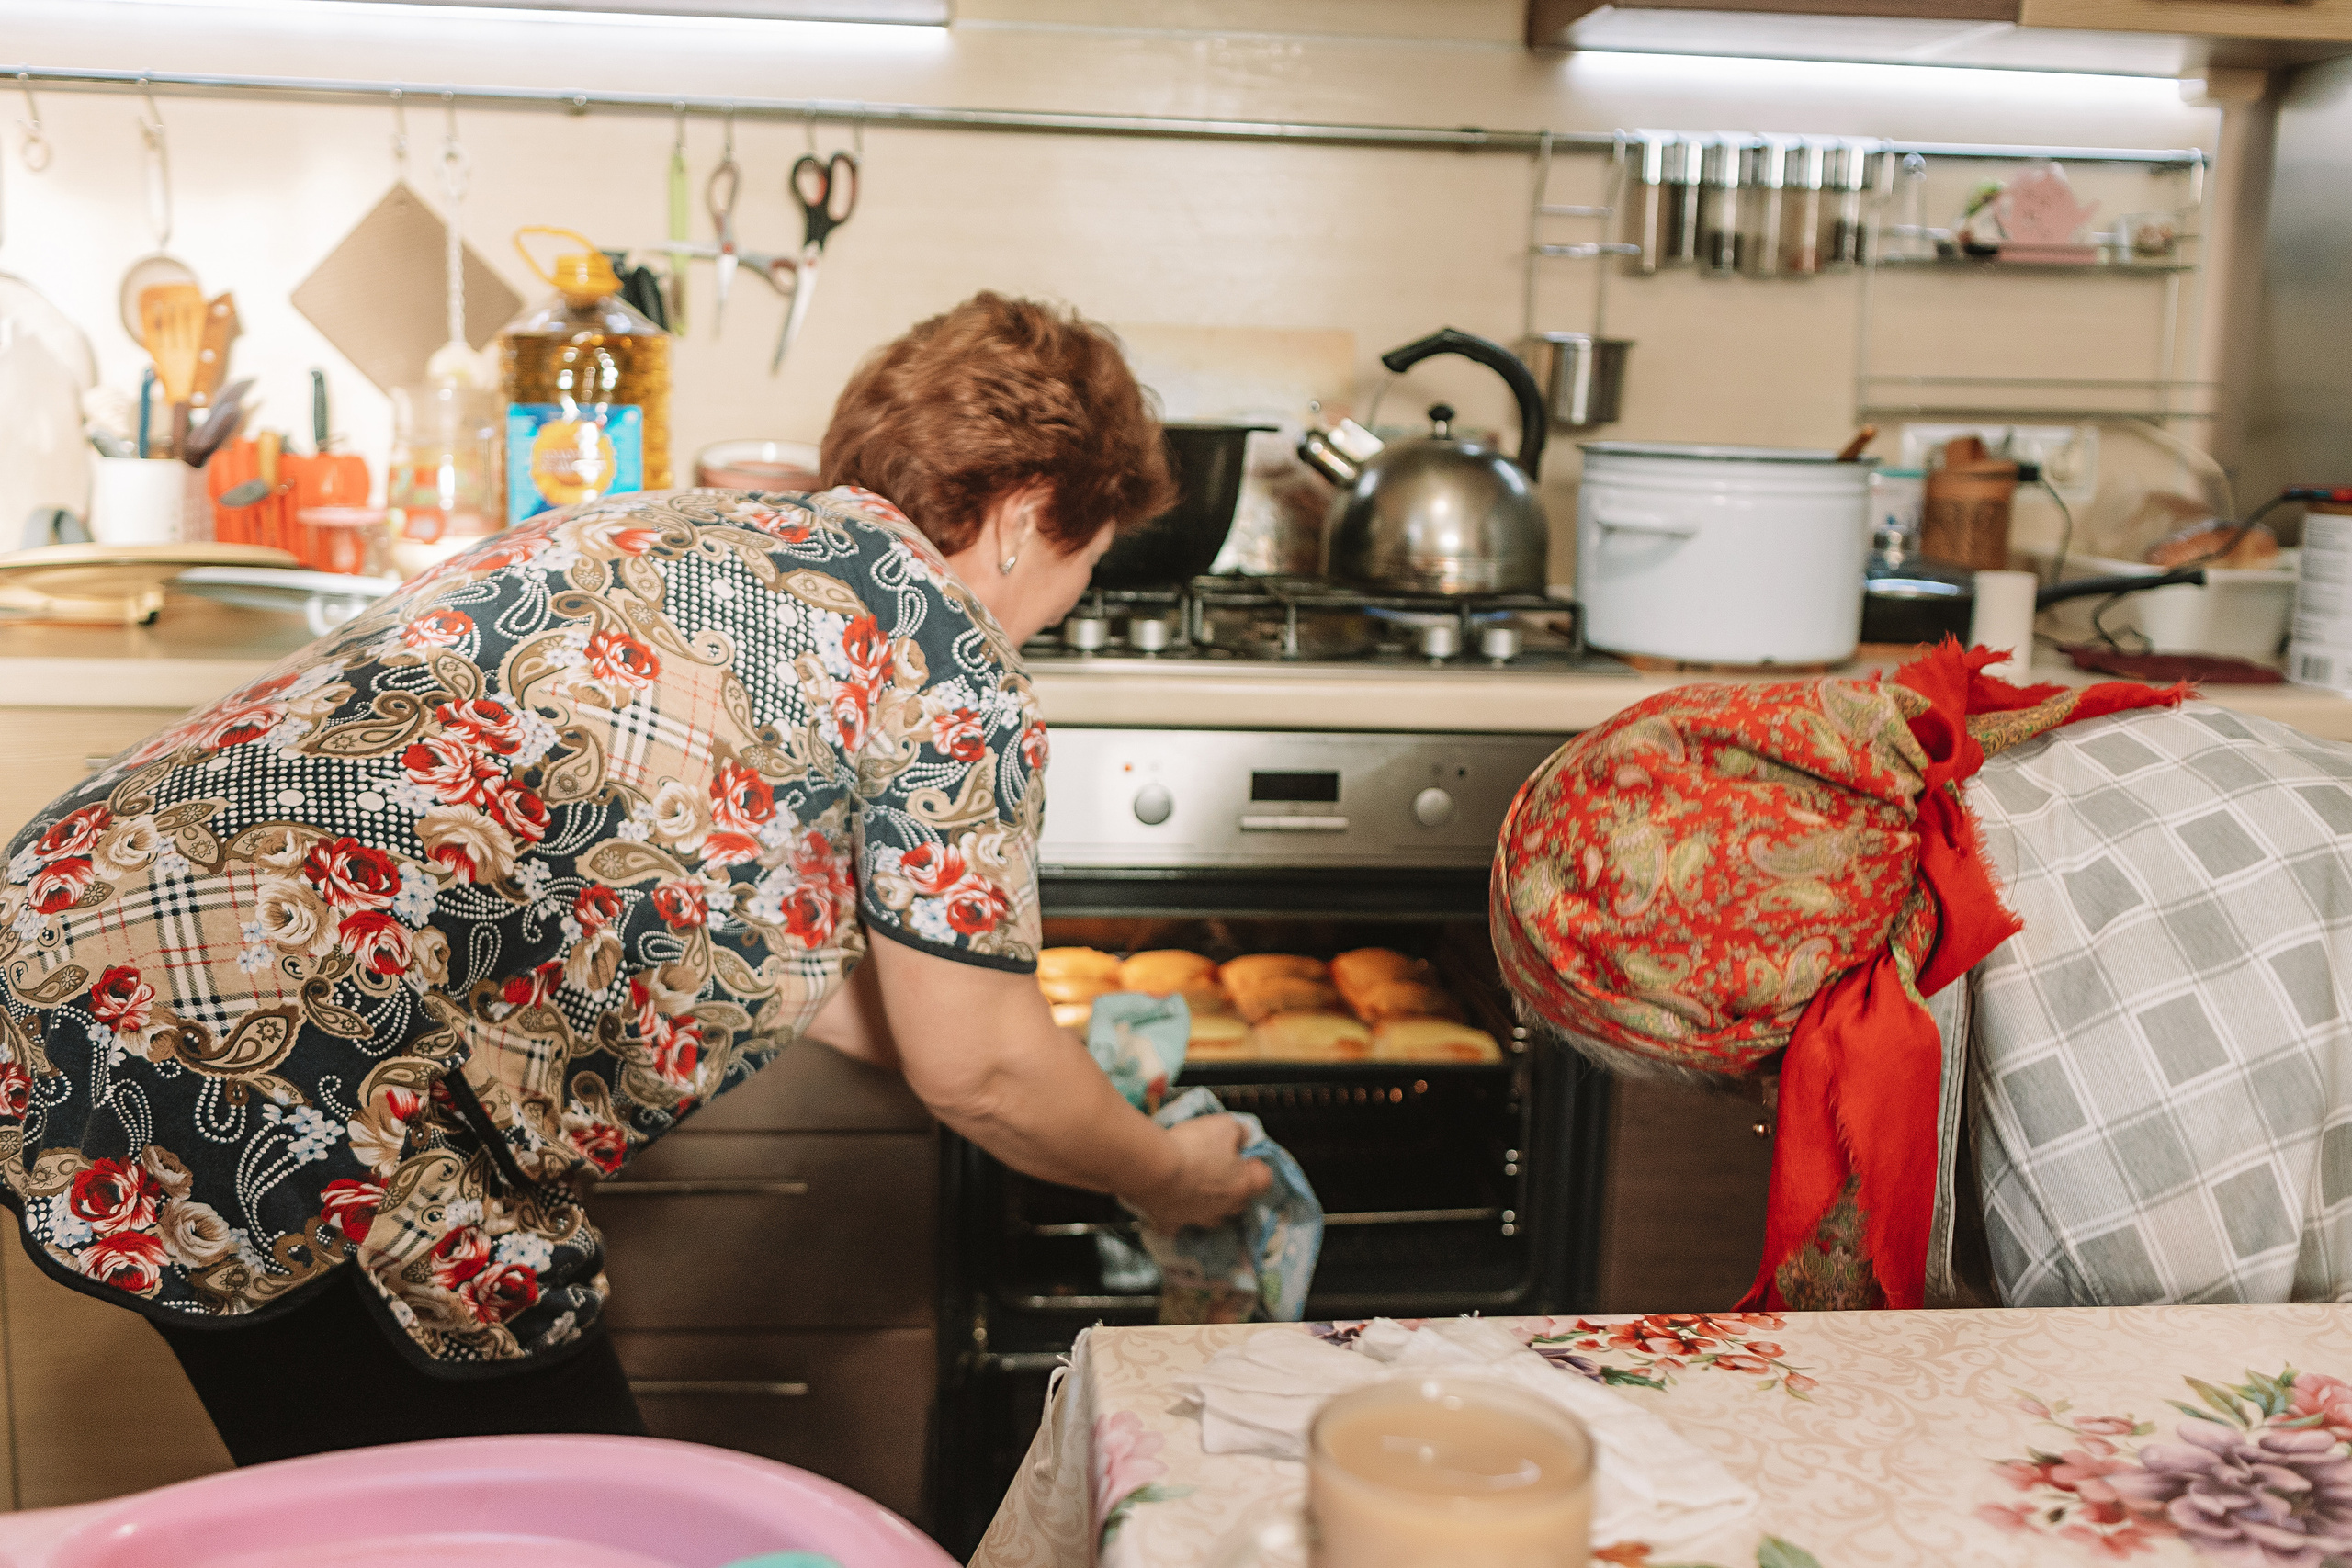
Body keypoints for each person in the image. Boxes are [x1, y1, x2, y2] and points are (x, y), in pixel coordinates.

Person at [0, 291, 1271, 1464]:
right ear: (1021, 513)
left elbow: (833, 976)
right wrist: (1169, 1176)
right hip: (291, 1060)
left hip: (76, 950)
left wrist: (1070, 1069)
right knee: (547, 1511)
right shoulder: (947, 649)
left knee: (417, 1502)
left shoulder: (682, 529)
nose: (1063, 602)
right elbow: (978, 1069)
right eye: (1085, 561)